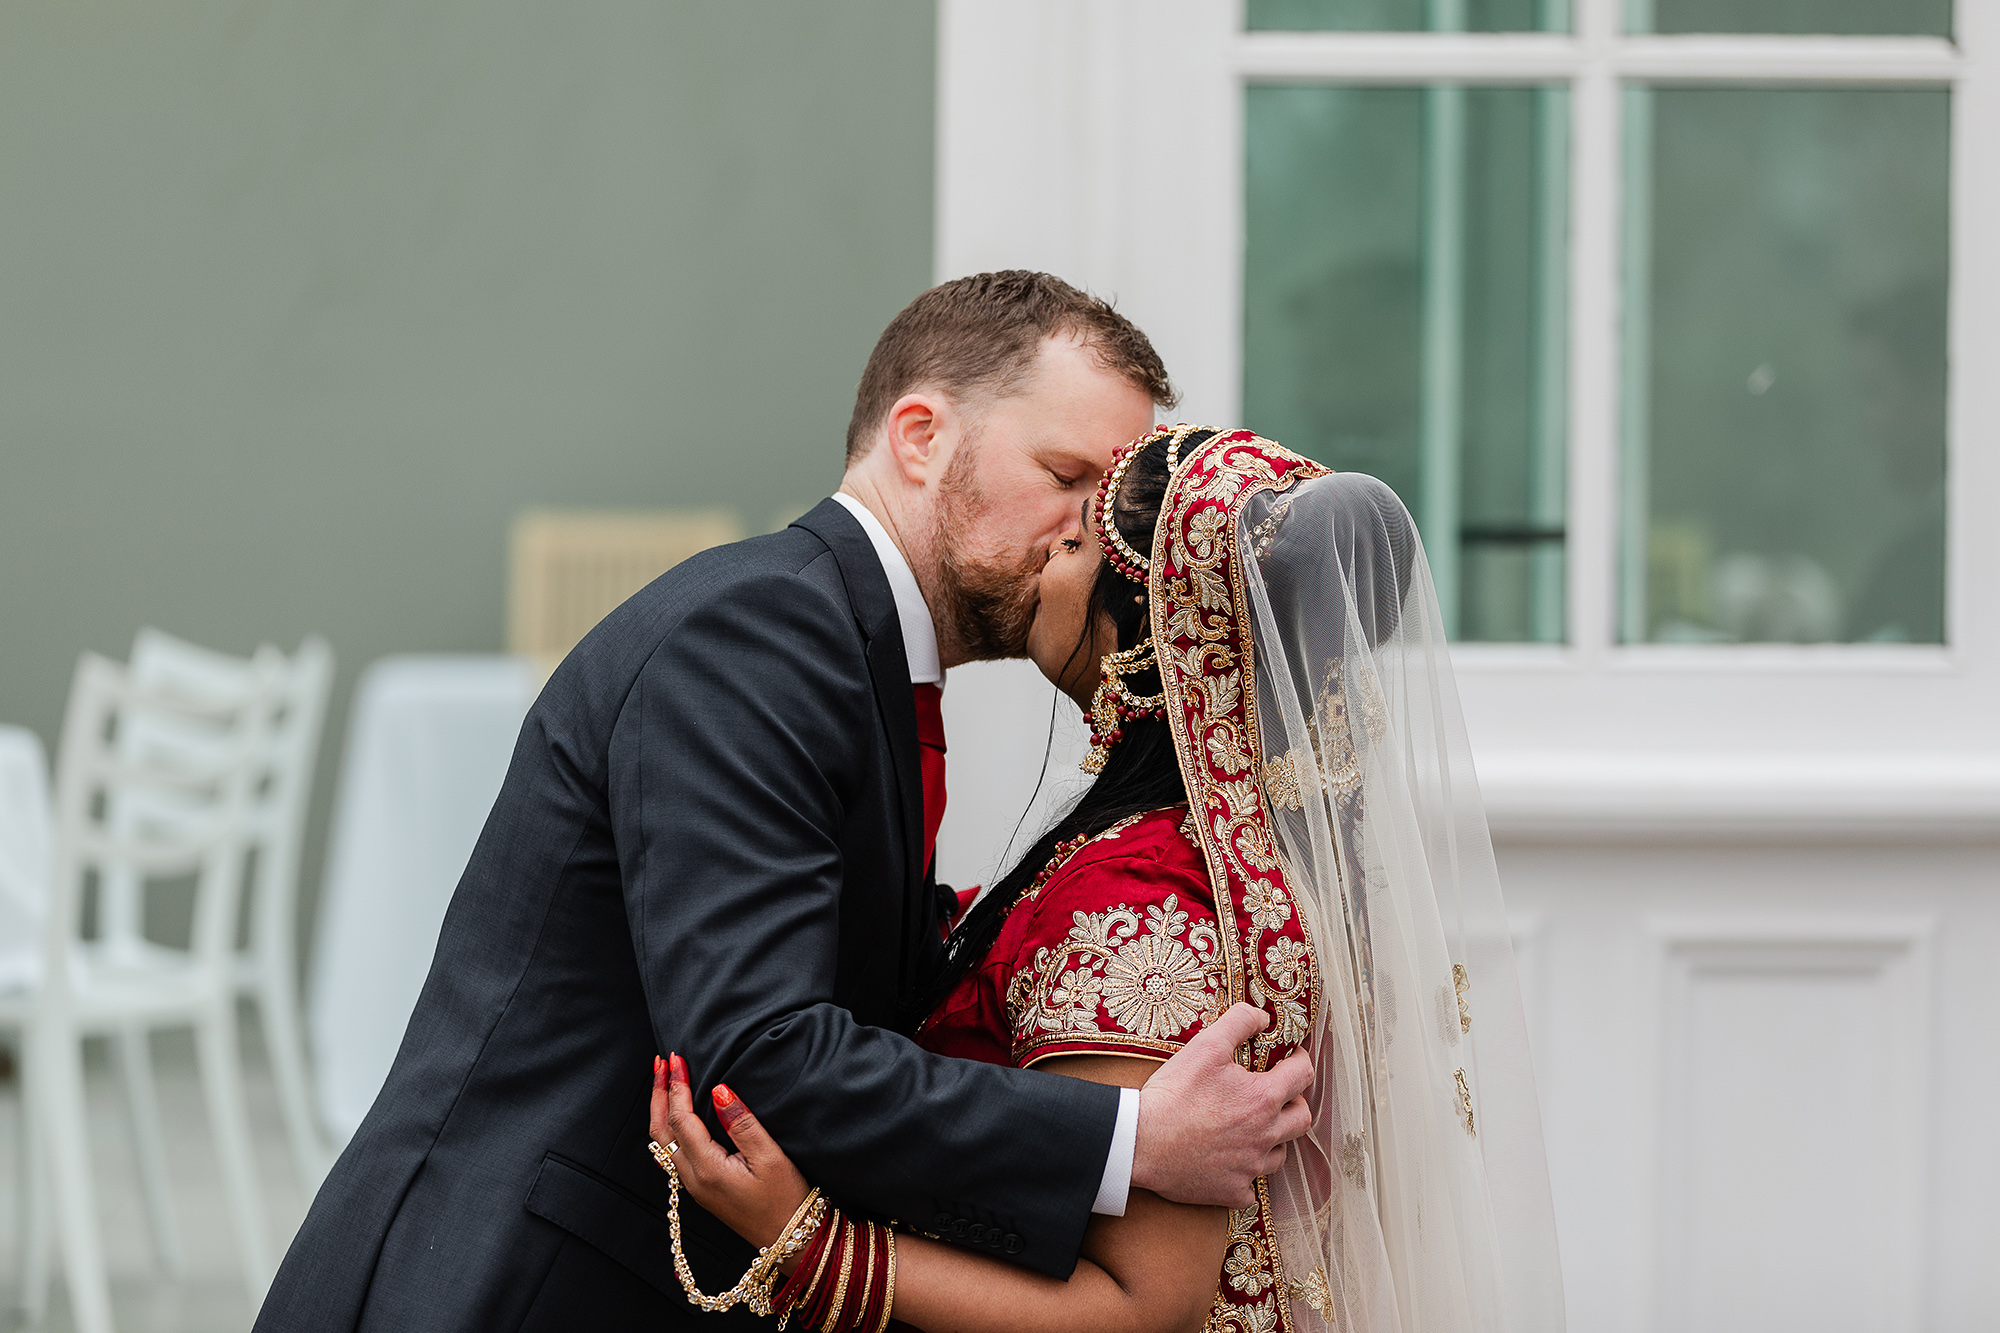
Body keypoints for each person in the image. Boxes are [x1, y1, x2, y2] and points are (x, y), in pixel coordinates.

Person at [255, 275, 1316, 1333]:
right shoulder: (759, 636)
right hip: (498, 1283)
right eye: (1063, 474)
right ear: (919, 435)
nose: (1090, 534)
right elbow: (762, 1049)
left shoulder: (850, 653)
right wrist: (1131, 1139)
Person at [655, 426, 1568, 1332]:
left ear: (1148, 626)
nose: (1051, 546)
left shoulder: (1142, 895)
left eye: (1079, 539)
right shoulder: (1252, 855)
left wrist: (812, 1249)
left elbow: (1141, 1303)